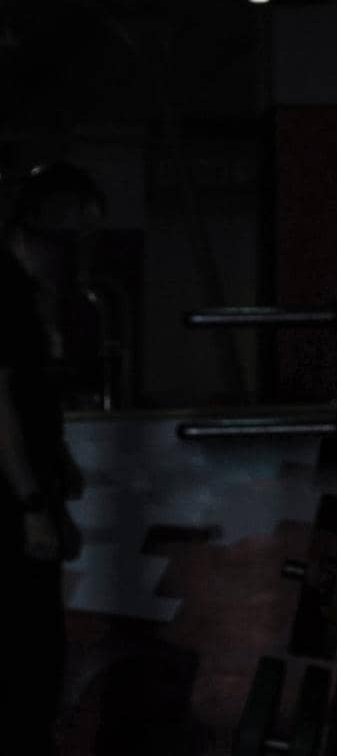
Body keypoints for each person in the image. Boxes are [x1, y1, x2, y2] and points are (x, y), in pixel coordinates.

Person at [0, 162, 101, 755]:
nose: (85, 245)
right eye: (81, 229)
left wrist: (56, 458)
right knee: (26, 661)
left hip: (24, 500)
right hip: (11, 510)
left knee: (37, 657)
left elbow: (25, 395)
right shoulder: (6, 291)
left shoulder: (26, 293)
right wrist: (32, 504)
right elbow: (0, 402)